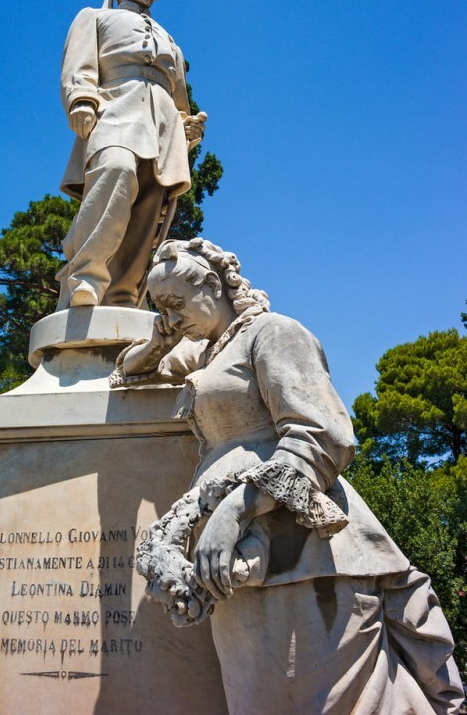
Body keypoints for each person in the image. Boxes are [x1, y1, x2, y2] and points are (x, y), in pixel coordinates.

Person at [110, 237, 464, 715]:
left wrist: (237, 509)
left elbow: (323, 437)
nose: (172, 318)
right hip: (235, 563)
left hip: (306, 553)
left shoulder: (274, 334)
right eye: (162, 309)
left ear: (213, 284)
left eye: (176, 303)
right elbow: (128, 375)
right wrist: (160, 337)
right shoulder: (208, 353)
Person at [57, 0, 205, 308]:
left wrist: (187, 129)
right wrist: (81, 98)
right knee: (115, 168)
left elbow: (178, 99)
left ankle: (124, 295)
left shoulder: (170, 41)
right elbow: (78, 63)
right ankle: (87, 276)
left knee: (148, 209)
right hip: (115, 105)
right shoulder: (95, 17)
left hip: (163, 125)